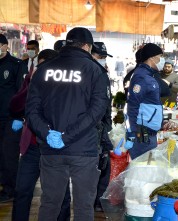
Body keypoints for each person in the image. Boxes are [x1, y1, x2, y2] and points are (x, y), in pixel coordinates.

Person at [25, 27, 110, 221]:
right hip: (83, 149)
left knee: (49, 203)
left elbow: (31, 111)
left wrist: (48, 134)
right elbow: (96, 113)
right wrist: (68, 136)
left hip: (51, 150)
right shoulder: (95, 71)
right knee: (83, 207)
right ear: (87, 46)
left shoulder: (44, 69)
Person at [11, 49, 71, 221]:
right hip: (31, 147)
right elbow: (15, 105)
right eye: (39, 65)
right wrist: (31, 82)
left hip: (55, 148)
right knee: (22, 190)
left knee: (61, 194)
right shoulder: (31, 81)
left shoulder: (64, 86)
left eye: (44, 65)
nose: (40, 69)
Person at [124, 43, 164, 159]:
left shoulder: (148, 75)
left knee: (147, 171)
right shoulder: (141, 77)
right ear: (152, 58)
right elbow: (132, 106)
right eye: (160, 56)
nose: (162, 60)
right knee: (144, 172)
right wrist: (131, 133)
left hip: (148, 134)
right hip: (142, 136)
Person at [0, 34, 27, 203]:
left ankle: (10, 190)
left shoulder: (16, 65)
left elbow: (22, 92)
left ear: (5, 46)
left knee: (8, 156)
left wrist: (19, 116)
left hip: (10, 119)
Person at [91, 41, 114, 212]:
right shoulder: (90, 74)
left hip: (102, 127)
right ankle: (94, 201)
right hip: (93, 128)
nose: (103, 60)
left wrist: (108, 125)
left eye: (105, 57)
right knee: (97, 167)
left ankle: (97, 201)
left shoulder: (102, 74)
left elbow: (107, 103)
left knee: (103, 165)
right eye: (100, 56)